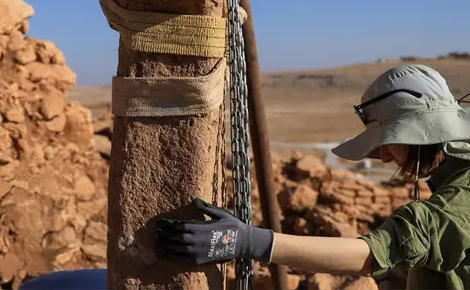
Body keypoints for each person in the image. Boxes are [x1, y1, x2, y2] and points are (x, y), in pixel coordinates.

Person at [157, 64, 470, 289]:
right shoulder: (454, 176)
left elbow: (371, 255)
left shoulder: (459, 199)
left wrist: (248, 241)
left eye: (388, 142)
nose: (386, 156)